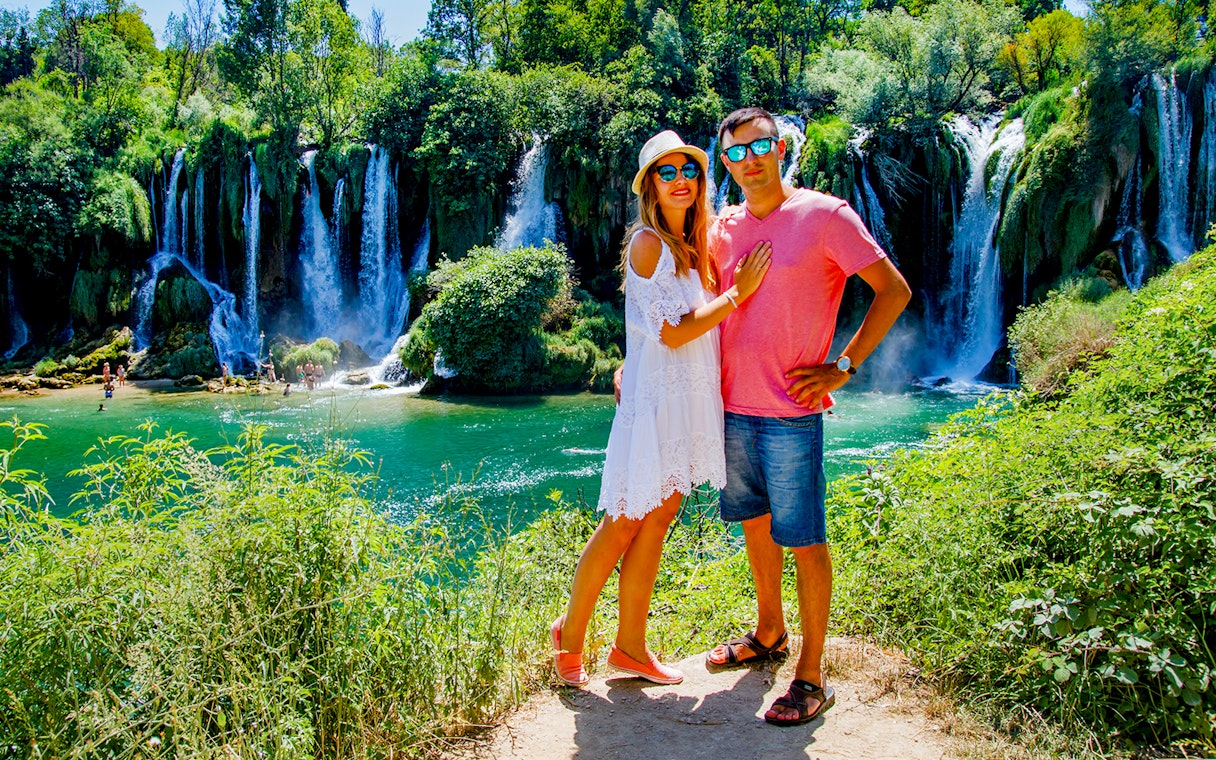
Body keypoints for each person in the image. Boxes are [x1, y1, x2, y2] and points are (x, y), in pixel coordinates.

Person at [704, 107, 911, 726]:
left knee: (805, 538)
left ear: (780, 147)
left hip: (792, 411)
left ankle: (812, 674)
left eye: (759, 146)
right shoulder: (722, 228)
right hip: (731, 407)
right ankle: (769, 632)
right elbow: (693, 305)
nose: (749, 159)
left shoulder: (826, 216)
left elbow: (894, 290)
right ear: (725, 162)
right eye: (735, 152)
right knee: (755, 522)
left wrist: (844, 366)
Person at [553, 129, 772, 688]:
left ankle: (630, 647)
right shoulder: (648, 242)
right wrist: (739, 294)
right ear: (650, 184)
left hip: (686, 401)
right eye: (666, 172)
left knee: (657, 520)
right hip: (656, 405)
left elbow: (654, 330)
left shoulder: (694, 248)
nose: (680, 180)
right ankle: (570, 635)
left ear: (701, 181)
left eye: (689, 170)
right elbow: (671, 332)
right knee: (623, 522)